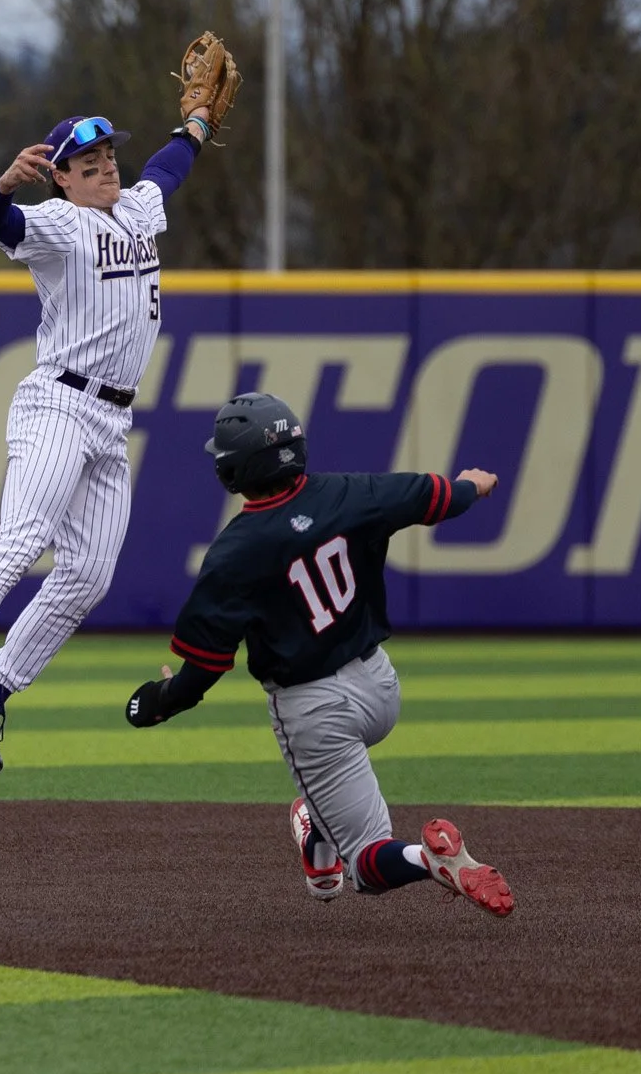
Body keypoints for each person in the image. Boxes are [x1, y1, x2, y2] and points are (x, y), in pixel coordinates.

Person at [0, 35, 241, 774]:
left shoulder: (138, 206)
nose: (105, 169)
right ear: (60, 178)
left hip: (111, 421)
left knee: (89, 573)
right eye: (88, 166)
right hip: (58, 404)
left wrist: (196, 125)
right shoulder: (59, 224)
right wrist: (1, 187)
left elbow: (166, 170)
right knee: (22, 537)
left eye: (107, 159)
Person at [123, 391, 516, 918]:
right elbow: (436, 498)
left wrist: (156, 701)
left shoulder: (233, 553)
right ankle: (317, 843)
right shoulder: (351, 493)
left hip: (315, 712)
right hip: (380, 689)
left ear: (233, 468)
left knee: (368, 866)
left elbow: (203, 674)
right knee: (329, 819)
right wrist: (474, 484)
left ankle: (431, 860)